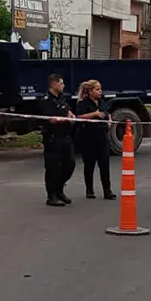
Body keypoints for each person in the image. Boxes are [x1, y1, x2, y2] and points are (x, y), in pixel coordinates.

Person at [75, 80, 116, 200]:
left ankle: (107, 191)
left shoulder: (102, 102)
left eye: (100, 89)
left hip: (102, 136)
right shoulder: (83, 104)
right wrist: (94, 114)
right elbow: (79, 117)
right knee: (89, 164)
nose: (100, 91)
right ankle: (89, 190)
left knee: (104, 164)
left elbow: (107, 113)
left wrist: (109, 121)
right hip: (88, 137)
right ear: (90, 91)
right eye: (97, 89)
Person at [38, 74, 76, 207]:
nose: (63, 86)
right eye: (61, 83)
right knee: (53, 168)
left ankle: (59, 189)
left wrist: (71, 115)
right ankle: (52, 196)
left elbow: (67, 110)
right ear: (53, 84)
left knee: (69, 165)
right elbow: (52, 119)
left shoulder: (62, 98)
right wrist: (67, 119)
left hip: (66, 136)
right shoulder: (46, 100)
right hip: (53, 138)